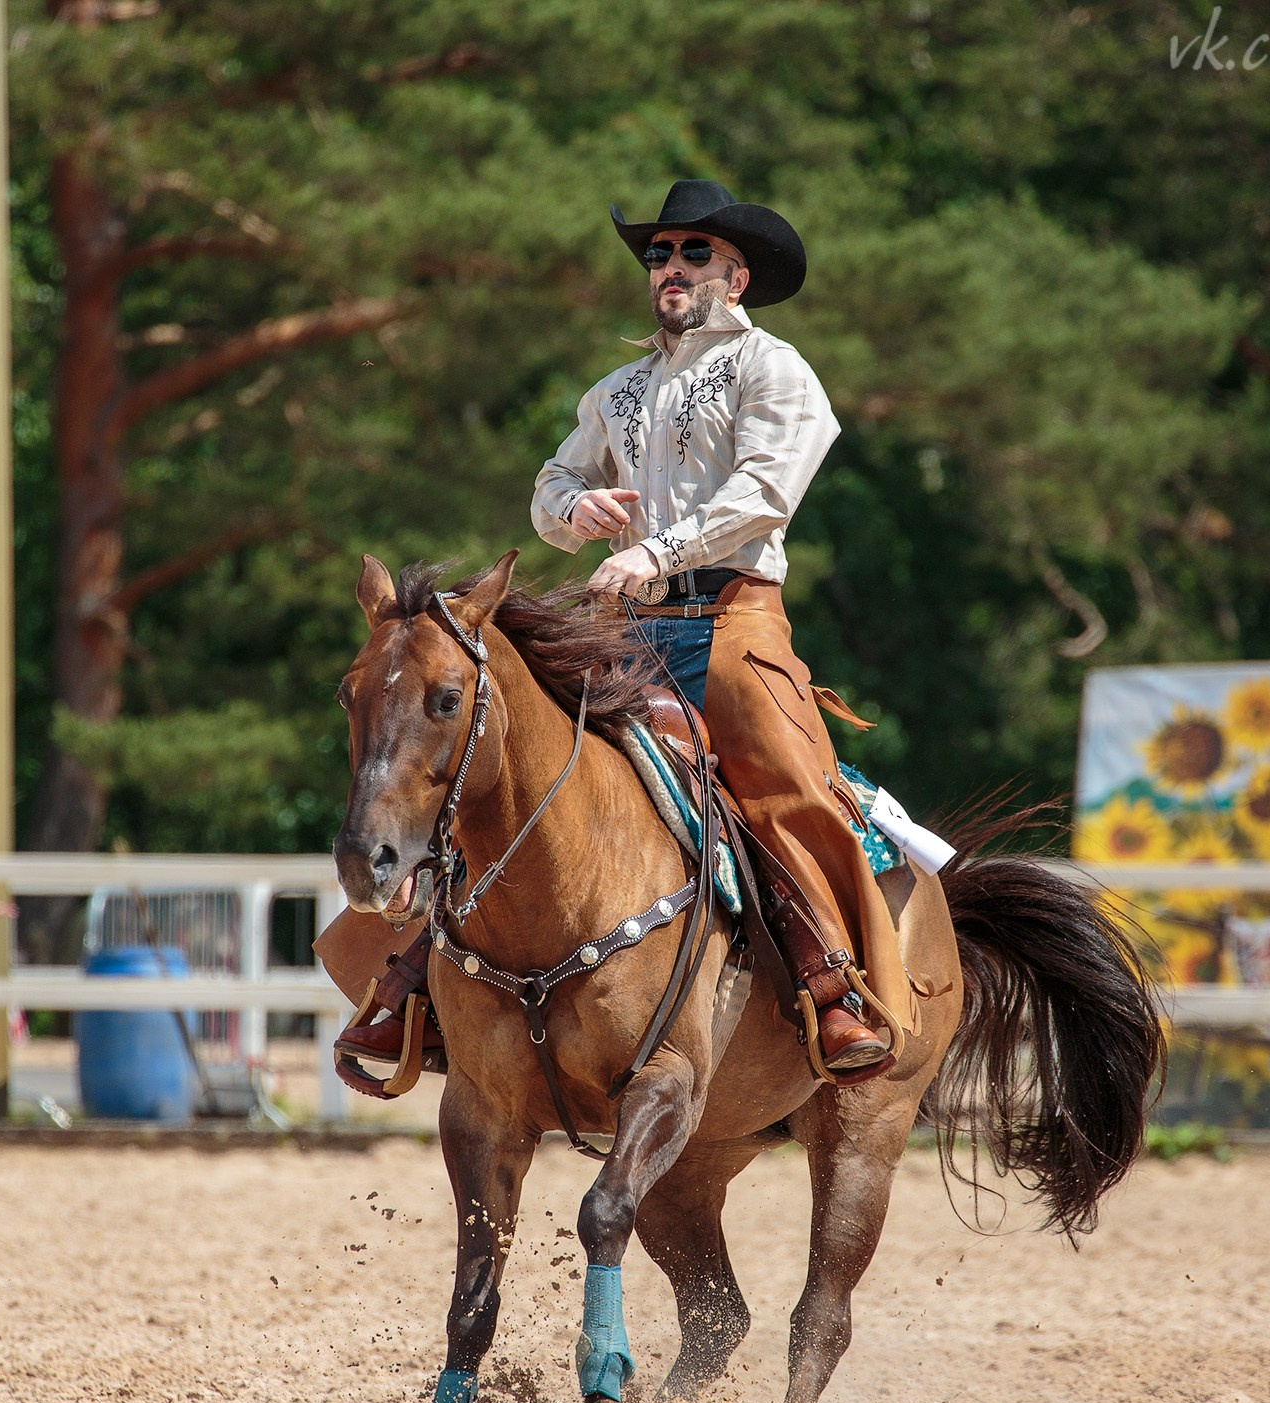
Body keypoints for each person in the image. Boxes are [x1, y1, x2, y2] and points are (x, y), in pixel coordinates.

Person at [335, 180, 909, 1084]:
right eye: (658, 253)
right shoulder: (616, 392)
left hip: (734, 623)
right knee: (509, 773)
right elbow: (549, 488)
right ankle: (414, 986)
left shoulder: (774, 369)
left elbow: (765, 492)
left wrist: (654, 550)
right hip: (623, 632)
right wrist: (576, 506)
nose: (670, 266)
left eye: (693, 252)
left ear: (737, 277)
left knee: (787, 783)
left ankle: (832, 988)